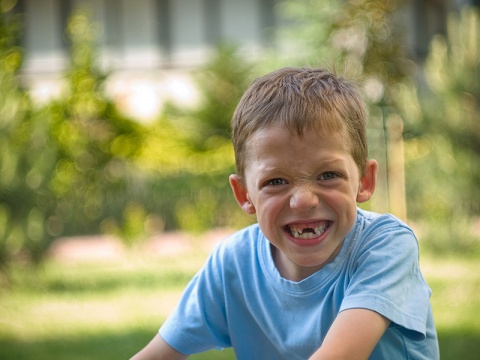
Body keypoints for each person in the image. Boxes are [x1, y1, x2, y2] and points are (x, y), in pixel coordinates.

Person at [131, 67, 439, 360]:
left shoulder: (386, 246)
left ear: (365, 181)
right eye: (276, 181)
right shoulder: (234, 263)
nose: (303, 200)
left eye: (328, 175)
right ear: (245, 195)